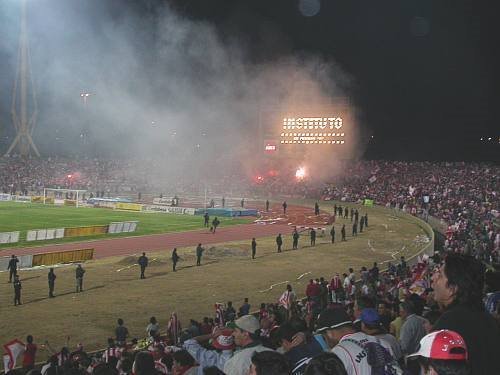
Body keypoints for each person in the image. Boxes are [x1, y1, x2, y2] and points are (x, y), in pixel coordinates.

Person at [432, 253, 500, 374]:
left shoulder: (448, 326)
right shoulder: (489, 320)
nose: (433, 279)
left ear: (453, 288)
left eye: (440, 275)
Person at [315, 308, 402, 374]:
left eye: (324, 337)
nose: (325, 341)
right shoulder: (381, 342)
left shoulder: (337, 354)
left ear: (329, 333)